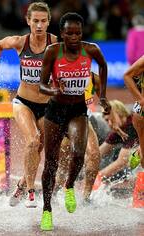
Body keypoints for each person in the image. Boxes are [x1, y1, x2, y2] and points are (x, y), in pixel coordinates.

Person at [38, 12, 110, 231]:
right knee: (51, 161)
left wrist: (103, 96)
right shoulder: (53, 51)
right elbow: (41, 85)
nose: (74, 37)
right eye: (69, 33)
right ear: (62, 33)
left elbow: (103, 66)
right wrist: (52, 89)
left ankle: (69, 186)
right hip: (55, 110)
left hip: (78, 109)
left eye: (78, 32)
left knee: (79, 151)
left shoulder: (91, 50)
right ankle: (47, 210)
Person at [0, 2, 57, 208]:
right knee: (33, 141)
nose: (39, 25)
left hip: (47, 106)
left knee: (41, 148)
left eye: (43, 21)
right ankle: (31, 192)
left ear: (48, 22)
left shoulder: (55, 43)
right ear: (28, 21)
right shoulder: (19, 42)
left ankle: (21, 184)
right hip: (23, 102)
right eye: (35, 21)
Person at [56, 72, 101, 203]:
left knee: (94, 155)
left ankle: (86, 198)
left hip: (83, 119)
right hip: (62, 122)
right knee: (63, 168)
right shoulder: (58, 71)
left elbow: (103, 98)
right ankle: (53, 195)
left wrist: (111, 112)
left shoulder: (93, 76)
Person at [92, 100, 140, 188]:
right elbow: (97, 153)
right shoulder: (119, 129)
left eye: (110, 119)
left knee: (131, 162)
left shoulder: (132, 125)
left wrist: (97, 178)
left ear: (118, 113)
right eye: (106, 121)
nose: (109, 124)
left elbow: (122, 161)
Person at [123, 55, 144, 169]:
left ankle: (139, 151)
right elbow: (127, 76)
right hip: (142, 114)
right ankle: (140, 153)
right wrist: (141, 100)